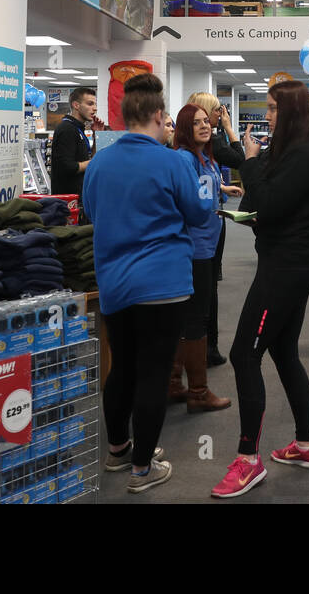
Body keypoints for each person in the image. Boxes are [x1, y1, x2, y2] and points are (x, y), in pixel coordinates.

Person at [82, 74, 216, 492]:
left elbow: (90, 212)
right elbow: (198, 213)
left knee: (122, 367)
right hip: (162, 284)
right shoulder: (172, 162)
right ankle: (142, 468)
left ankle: (118, 450)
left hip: (114, 283)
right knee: (154, 374)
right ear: (159, 116)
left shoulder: (100, 162)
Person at [212, 80, 309, 498]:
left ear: (291, 112)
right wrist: (250, 157)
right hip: (291, 261)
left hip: (286, 268)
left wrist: (248, 161)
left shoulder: (305, 154)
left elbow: (265, 202)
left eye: (271, 108)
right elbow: (273, 200)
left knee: (243, 354)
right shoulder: (299, 150)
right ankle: (307, 443)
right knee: (283, 352)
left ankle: (248, 460)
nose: (266, 116)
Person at [169, 103, 240, 411]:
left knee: (198, 311)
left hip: (209, 242)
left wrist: (222, 188)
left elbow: (202, 187)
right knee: (196, 315)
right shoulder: (184, 158)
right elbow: (186, 198)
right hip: (195, 246)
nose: (204, 126)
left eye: (205, 121)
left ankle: (174, 384)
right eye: (196, 123)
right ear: (185, 128)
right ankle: (197, 392)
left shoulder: (205, 157)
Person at [188, 92, 246, 367]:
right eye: (215, 112)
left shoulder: (205, 151)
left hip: (212, 226)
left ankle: (208, 348)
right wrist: (229, 127)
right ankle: (204, 351)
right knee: (204, 292)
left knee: (209, 289)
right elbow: (239, 158)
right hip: (202, 233)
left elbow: (204, 179)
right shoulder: (198, 149)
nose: (211, 121)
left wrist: (221, 187)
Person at [50, 86, 96, 195]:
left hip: (80, 195)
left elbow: (88, 159)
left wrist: (96, 135)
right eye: (90, 104)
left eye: (95, 104)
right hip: (68, 199)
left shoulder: (78, 128)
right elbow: (68, 167)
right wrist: (96, 162)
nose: (95, 108)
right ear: (76, 105)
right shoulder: (67, 129)